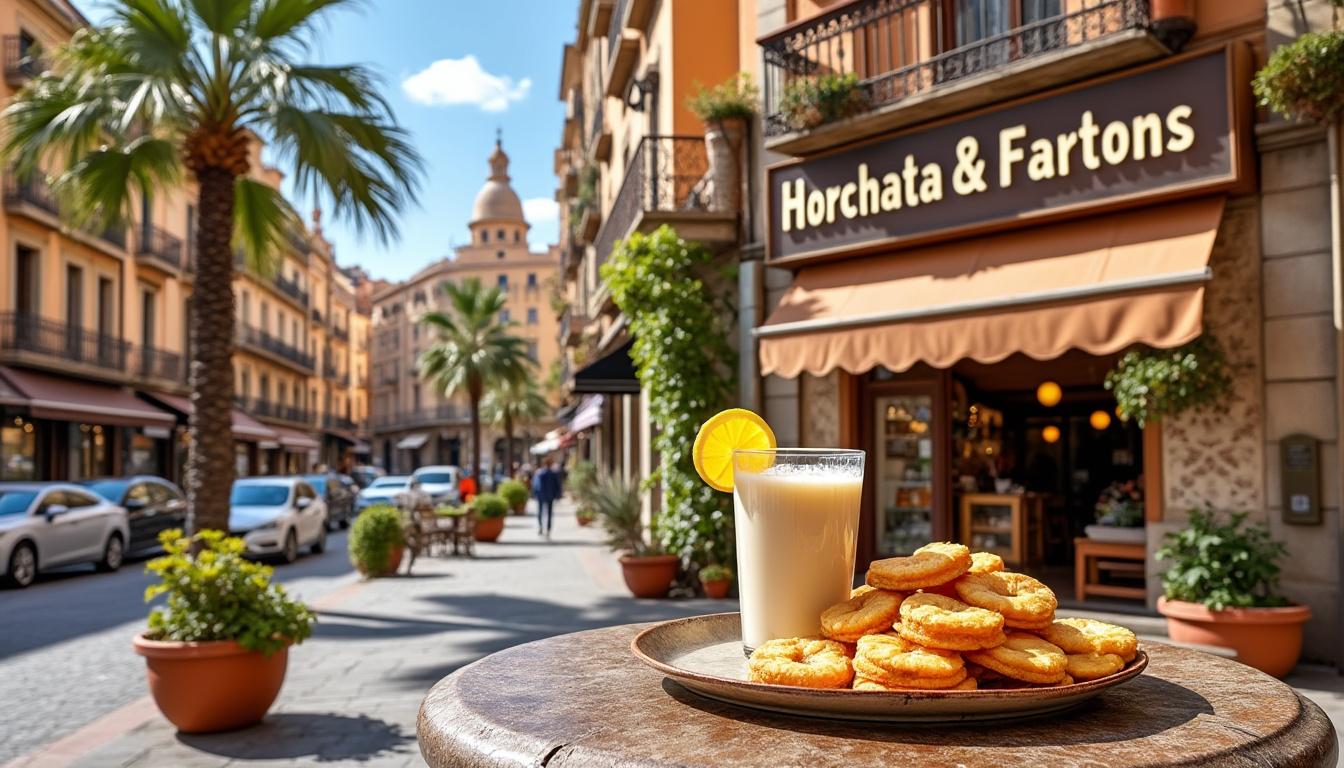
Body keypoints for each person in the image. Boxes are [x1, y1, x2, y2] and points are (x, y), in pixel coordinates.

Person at [532, 459, 562, 539]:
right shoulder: (553, 473)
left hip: (541, 495)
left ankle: (541, 527)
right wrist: (558, 495)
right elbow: (557, 485)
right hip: (550, 495)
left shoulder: (539, 473)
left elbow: (535, 484)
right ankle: (548, 529)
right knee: (549, 513)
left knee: (540, 512)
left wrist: (534, 494)